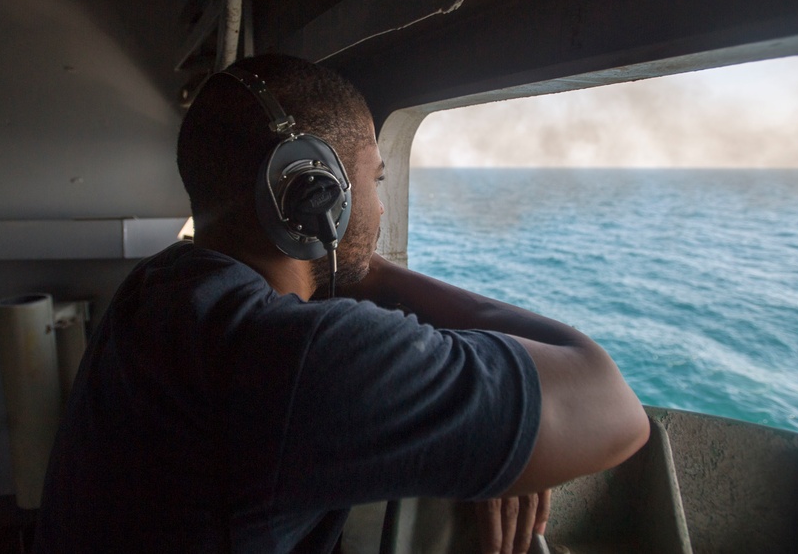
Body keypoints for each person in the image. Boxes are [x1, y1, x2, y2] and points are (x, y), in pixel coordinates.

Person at [34, 54, 649, 554]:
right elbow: (614, 410)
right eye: (375, 180)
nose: (380, 209)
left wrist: (483, 451)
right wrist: (359, 262)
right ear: (313, 194)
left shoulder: (161, 288)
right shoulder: (285, 358)